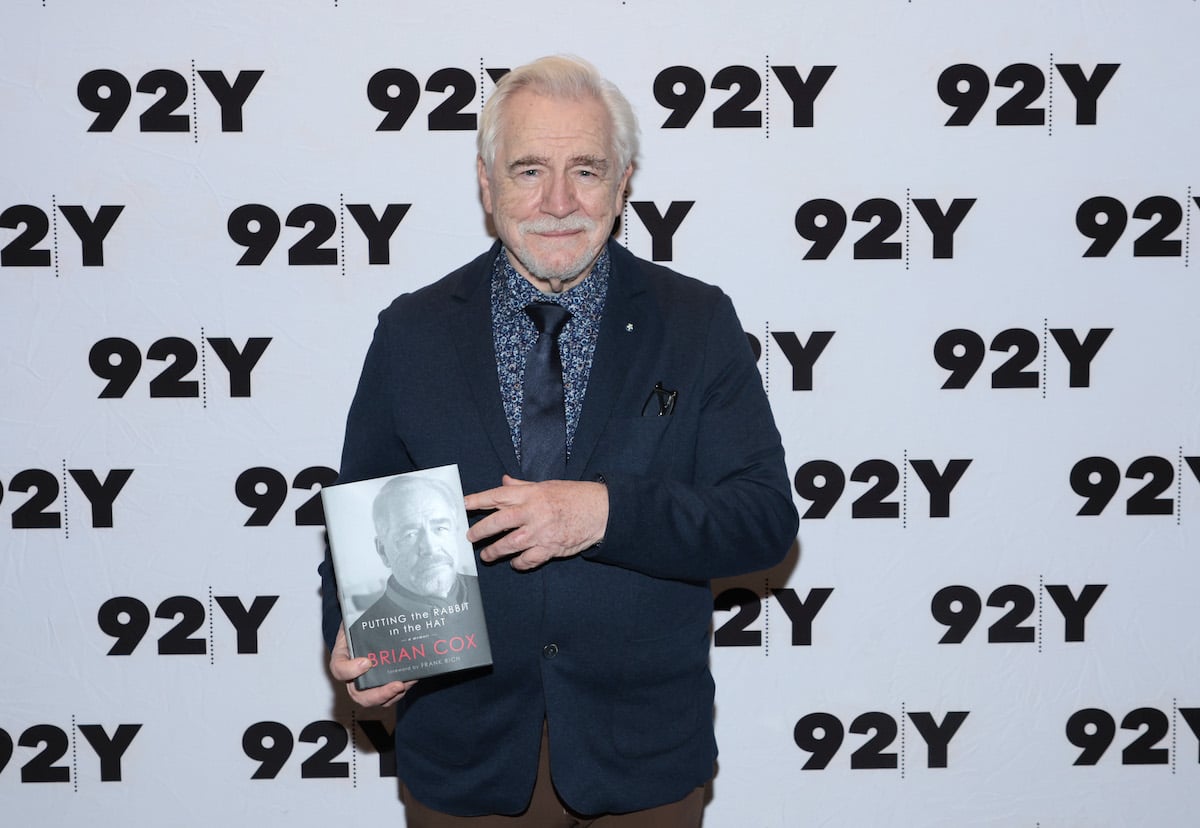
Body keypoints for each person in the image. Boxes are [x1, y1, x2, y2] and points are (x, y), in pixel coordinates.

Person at [320, 54, 798, 826]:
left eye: (586, 169)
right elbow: (361, 534)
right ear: (485, 182)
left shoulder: (697, 323)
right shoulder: (412, 334)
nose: (557, 201)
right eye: (528, 169)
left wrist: (604, 514)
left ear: (624, 181)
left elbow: (762, 520)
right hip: (466, 762)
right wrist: (351, 647)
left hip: (641, 761)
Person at [354, 474, 477, 630]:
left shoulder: (492, 592)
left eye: (440, 528)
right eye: (409, 535)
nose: (430, 548)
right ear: (382, 551)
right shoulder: (362, 639)